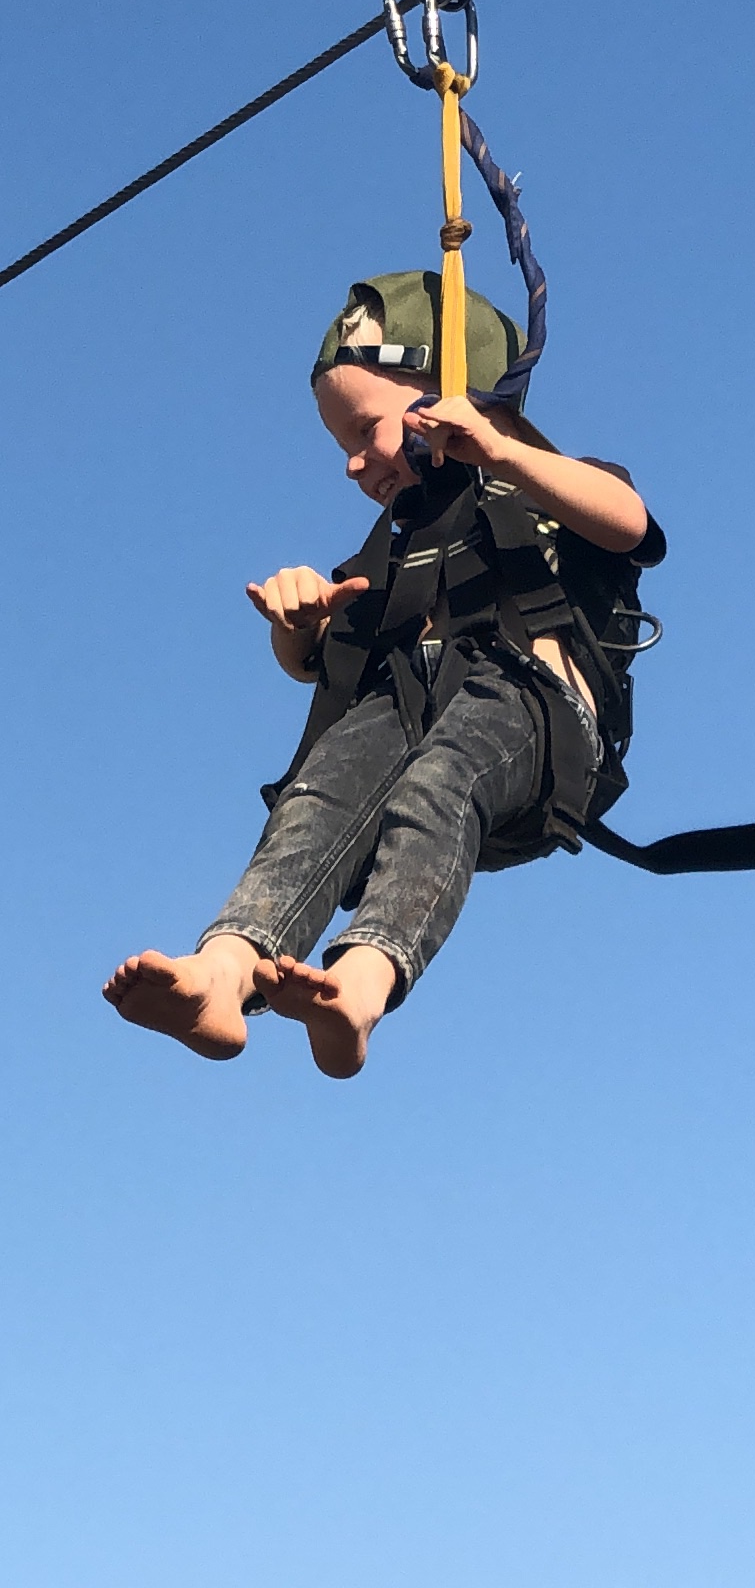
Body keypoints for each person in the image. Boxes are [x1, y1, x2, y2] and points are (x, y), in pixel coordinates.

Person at [104, 273, 660, 1079]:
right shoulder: (393, 555)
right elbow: (314, 664)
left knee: (443, 778)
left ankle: (359, 987)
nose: (355, 465)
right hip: (405, 706)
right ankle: (223, 973)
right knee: (319, 794)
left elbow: (628, 524)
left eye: (366, 431)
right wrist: (296, 623)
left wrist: (501, 449)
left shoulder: (547, 486)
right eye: (344, 449)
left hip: (530, 712)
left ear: (446, 395)